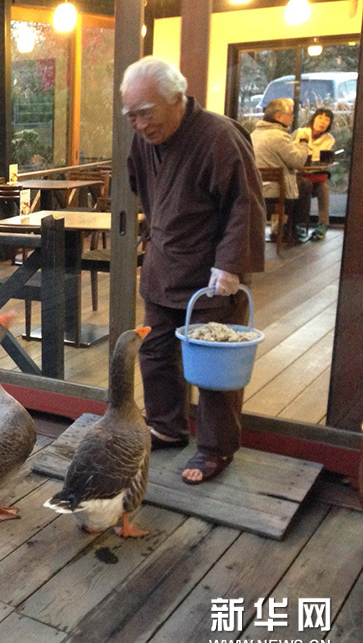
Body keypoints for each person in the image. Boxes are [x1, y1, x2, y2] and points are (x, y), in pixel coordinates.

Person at [121, 56, 266, 485]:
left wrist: (230, 265)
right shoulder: (143, 143)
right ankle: (166, 426)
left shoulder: (220, 136)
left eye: (145, 113)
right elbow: (141, 188)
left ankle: (217, 448)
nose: (139, 125)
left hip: (212, 276)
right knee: (155, 351)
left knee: (214, 366)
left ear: (177, 98)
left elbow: (245, 203)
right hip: (164, 268)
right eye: (131, 116)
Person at [251, 98, 311, 241]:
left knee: (299, 183)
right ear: (278, 116)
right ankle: (294, 227)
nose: (292, 118)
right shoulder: (279, 136)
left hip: (256, 188)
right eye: (290, 114)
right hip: (275, 190)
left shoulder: (253, 134)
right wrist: (304, 142)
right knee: (305, 185)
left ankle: (281, 227)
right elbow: (297, 161)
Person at [293, 108, 336, 240]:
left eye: (327, 120)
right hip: (297, 176)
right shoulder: (300, 132)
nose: (322, 122)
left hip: (315, 176)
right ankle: (297, 223)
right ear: (313, 119)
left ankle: (323, 224)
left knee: (323, 188)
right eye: (320, 118)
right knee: (303, 184)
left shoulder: (329, 139)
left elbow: (326, 161)